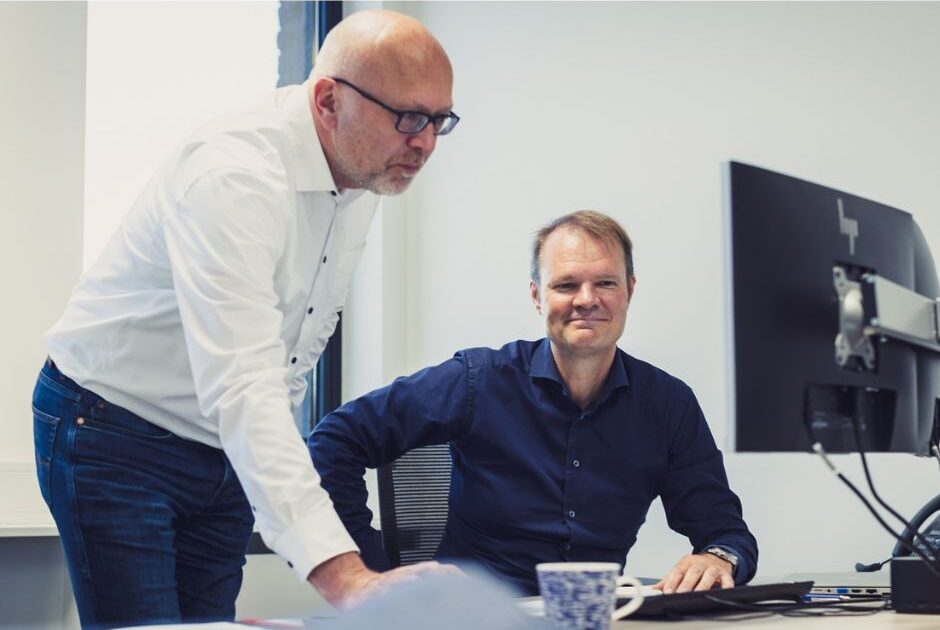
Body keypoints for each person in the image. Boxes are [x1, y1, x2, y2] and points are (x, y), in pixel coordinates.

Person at [32, 9, 460, 628]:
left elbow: (296, 343)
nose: (425, 143)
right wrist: (344, 578)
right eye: (409, 118)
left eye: (440, 121)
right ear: (328, 100)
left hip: (221, 443)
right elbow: (243, 383)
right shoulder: (233, 177)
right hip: (113, 426)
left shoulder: (365, 169)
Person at [309, 210, 758, 596]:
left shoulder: (668, 404)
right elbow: (333, 441)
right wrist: (368, 572)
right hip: (471, 613)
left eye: (605, 282)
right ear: (537, 296)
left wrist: (718, 558)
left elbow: (724, 529)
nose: (587, 300)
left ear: (629, 290)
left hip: (588, 613)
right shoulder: (478, 380)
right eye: (566, 285)